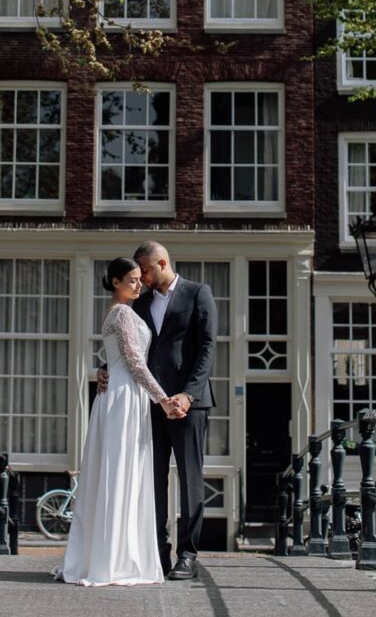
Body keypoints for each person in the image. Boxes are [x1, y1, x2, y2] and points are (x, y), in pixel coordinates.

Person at [57, 256, 183, 586]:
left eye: (141, 279)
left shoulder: (121, 311)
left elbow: (119, 361)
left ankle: (112, 555)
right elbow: (135, 364)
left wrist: (106, 371)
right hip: (125, 399)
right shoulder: (123, 313)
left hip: (125, 396)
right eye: (132, 280)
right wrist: (164, 399)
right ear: (115, 282)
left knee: (123, 474)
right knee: (120, 474)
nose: (139, 284)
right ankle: (113, 559)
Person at [98, 240, 217, 581]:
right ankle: (158, 553)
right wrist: (105, 368)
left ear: (162, 262)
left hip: (187, 404)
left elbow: (207, 348)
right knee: (151, 481)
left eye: (146, 270)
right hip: (148, 403)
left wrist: (187, 396)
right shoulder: (140, 301)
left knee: (191, 480)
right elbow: (129, 347)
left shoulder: (198, 293)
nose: (142, 278)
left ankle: (188, 556)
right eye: (137, 274)